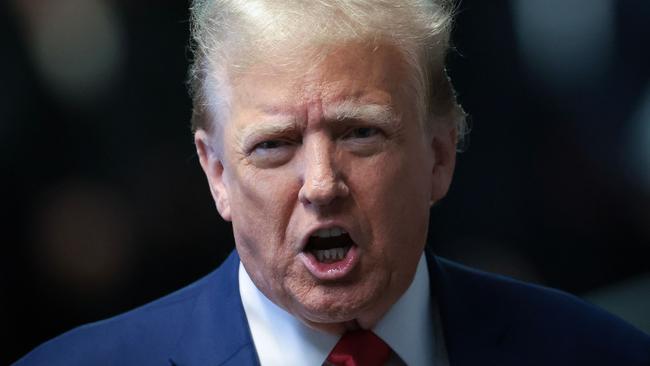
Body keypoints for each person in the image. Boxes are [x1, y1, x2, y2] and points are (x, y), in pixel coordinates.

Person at [14, 1, 650, 365]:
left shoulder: (602, 357)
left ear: (439, 153)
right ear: (216, 175)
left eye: (359, 134)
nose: (321, 183)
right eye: (273, 146)